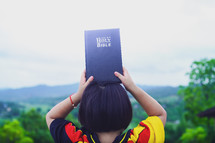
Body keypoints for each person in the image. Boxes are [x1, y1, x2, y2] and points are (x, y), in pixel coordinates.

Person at [46, 68, 167, 143]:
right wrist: (132, 87)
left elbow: (52, 117)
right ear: (125, 112)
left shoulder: (75, 140)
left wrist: (78, 95)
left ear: (85, 113)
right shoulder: (141, 139)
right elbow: (159, 114)